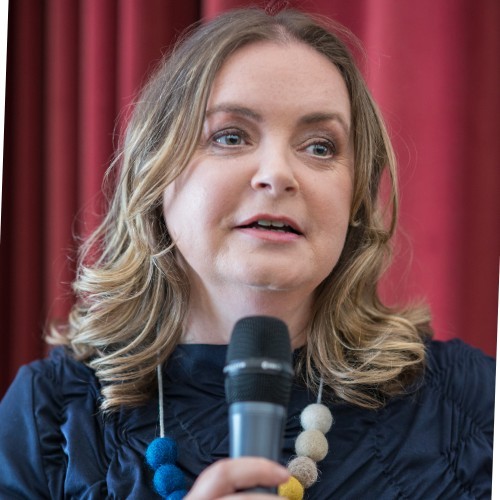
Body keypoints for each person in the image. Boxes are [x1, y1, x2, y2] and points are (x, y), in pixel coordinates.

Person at [0, 7, 494, 499]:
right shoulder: (51, 417)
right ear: (156, 176)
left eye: (320, 147)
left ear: (356, 200)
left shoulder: (471, 407)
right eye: (231, 136)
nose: (277, 174)